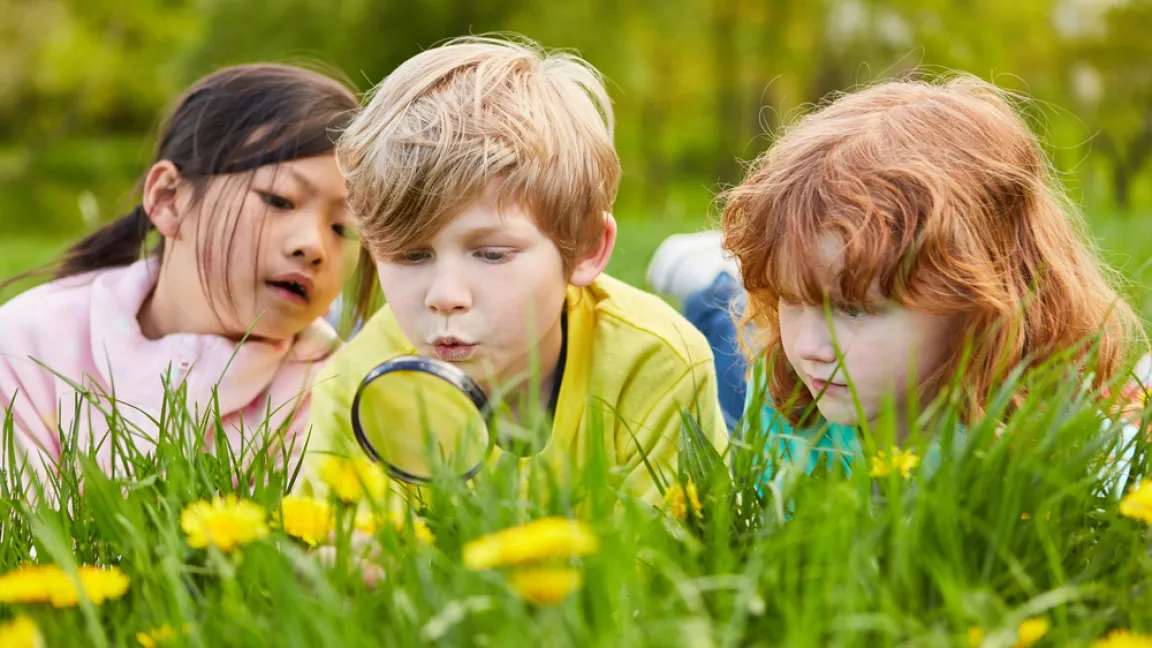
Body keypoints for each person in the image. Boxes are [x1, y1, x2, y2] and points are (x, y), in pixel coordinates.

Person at [295, 35, 727, 507]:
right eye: (411, 256)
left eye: (492, 254)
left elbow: (657, 558)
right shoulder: (354, 383)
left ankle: (716, 286)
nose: (445, 296)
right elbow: (329, 551)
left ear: (584, 248)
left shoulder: (656, 361)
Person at [651, 74, 1144, 472]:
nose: (811, 347)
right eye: (792, 298)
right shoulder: (780, 417)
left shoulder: (1058, 454)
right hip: (757, 379)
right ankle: (714, 283)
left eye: (855, 309)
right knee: (730, 352)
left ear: (980, 298)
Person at [0, 63, 363, 482]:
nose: (314, 246)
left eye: (343, 228)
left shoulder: (336, 388)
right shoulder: (28, 347)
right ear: (169, 199)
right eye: (279, 200)